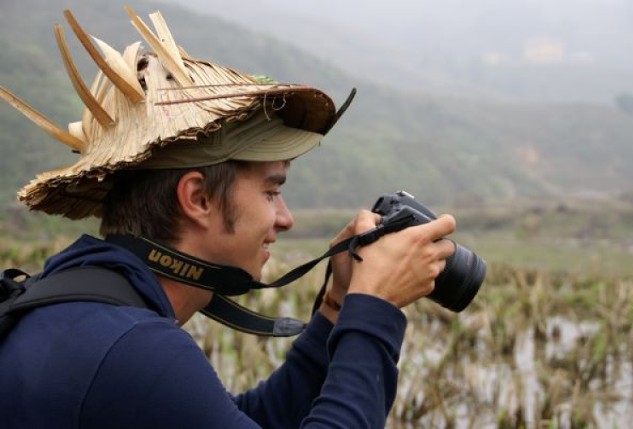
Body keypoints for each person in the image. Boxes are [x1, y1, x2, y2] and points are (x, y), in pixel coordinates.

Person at [0, 7, 456, 429]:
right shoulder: (132, 348)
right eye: (271, 191)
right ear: (197, 198)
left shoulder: (83, 309)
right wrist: (375, 309)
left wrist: (337, 308)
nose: (285, 219)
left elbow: (241, 419)